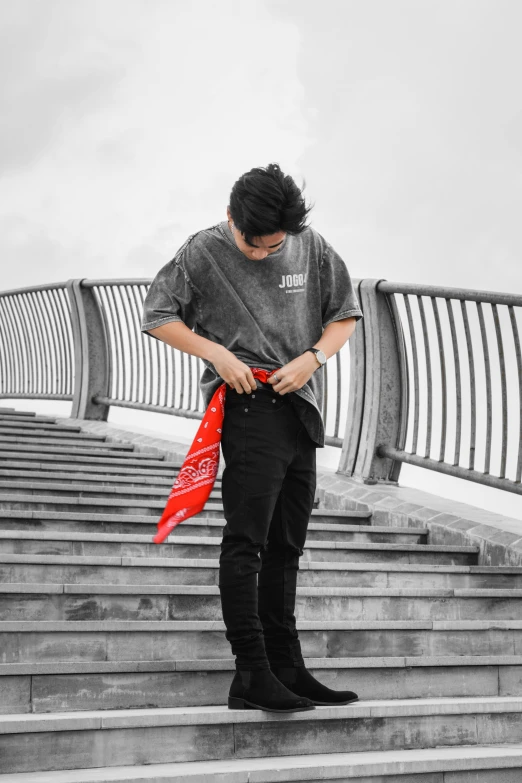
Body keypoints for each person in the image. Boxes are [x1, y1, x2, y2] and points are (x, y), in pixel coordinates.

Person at [141, 162, 363, 713]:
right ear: (230, 218)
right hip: (247, 406)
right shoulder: (203, 251)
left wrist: (313, 359)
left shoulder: (309, 247)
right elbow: (157, 314)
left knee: (288, 544)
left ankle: (288, 665)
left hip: (301, 405)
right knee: (248, 542)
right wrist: (217, 353)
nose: (262, 253)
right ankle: (252, 671)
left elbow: (346, 315)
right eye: (253, 244)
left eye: (272, 245)